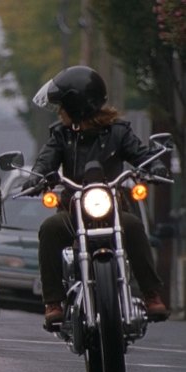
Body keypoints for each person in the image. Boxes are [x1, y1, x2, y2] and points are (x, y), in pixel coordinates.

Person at [24, 65, 170, 325]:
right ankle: (53, 301)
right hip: (73, 210)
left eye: (63, 106)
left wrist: (154, 165)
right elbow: (46, 159)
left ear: (77, 105)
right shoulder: (61, 134)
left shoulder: (119, 131)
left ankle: (151, 294)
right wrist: (37, 177)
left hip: (111, 209)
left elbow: (140, 153)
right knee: (49, 228)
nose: (59, 112)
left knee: (134, 226)